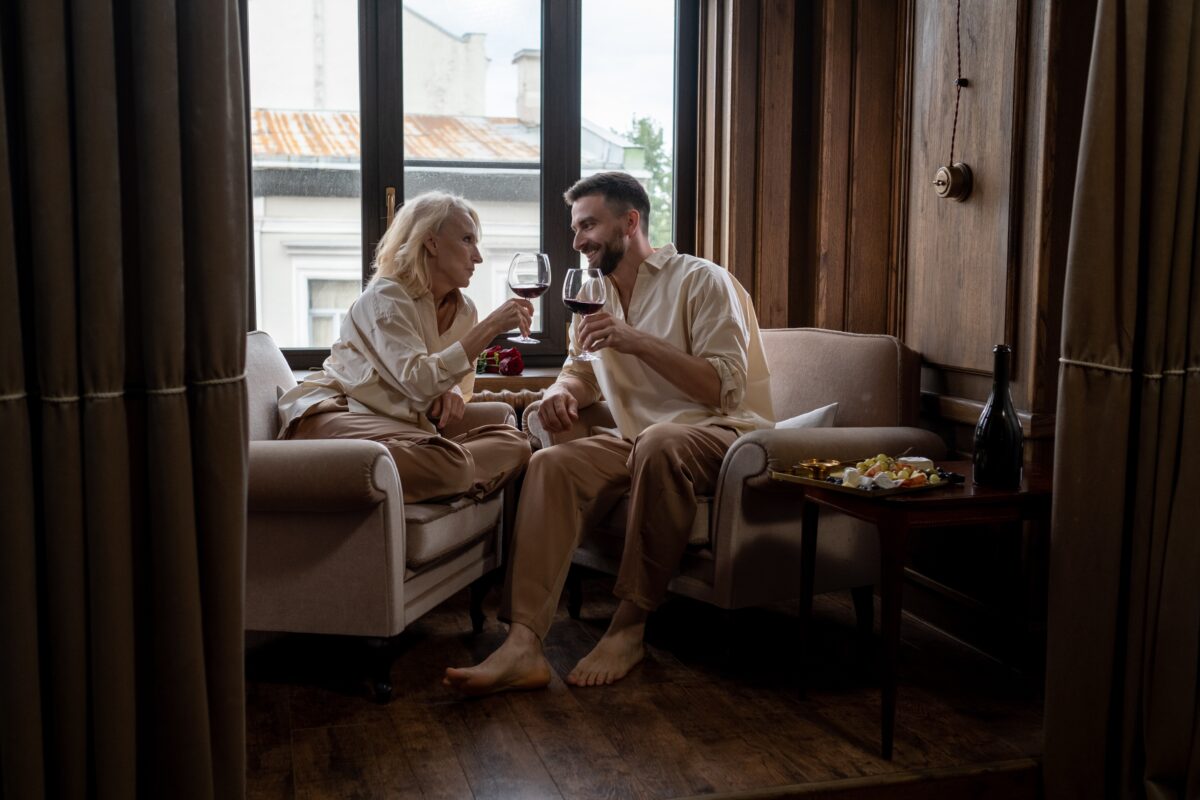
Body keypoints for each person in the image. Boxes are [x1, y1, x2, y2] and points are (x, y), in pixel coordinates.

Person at [444, 171, 773, 694]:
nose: (578, 242)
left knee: (661, 442)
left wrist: (634, 340)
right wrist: (559, 391)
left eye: (589, 225)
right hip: (634, 439)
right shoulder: (594, 294)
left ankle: (630, 626)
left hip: (722, 435)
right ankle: (523, 644)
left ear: (630, 221)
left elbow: (722, 388)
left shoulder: (702, 280)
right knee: (549, 463)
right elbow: (582, 367)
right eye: (576, 229)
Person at [277, 191, 534, 504]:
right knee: (451, 462)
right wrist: (491, 328)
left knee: (517, 443)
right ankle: (450, 474)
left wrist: (451, 393)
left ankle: (445, 475)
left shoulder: (465, 311)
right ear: (431, 242)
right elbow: (419, 381)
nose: (478, 256)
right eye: (467, 239)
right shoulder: (386, 298)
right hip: (339, 415)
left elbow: (457, 389)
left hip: (403, 430)